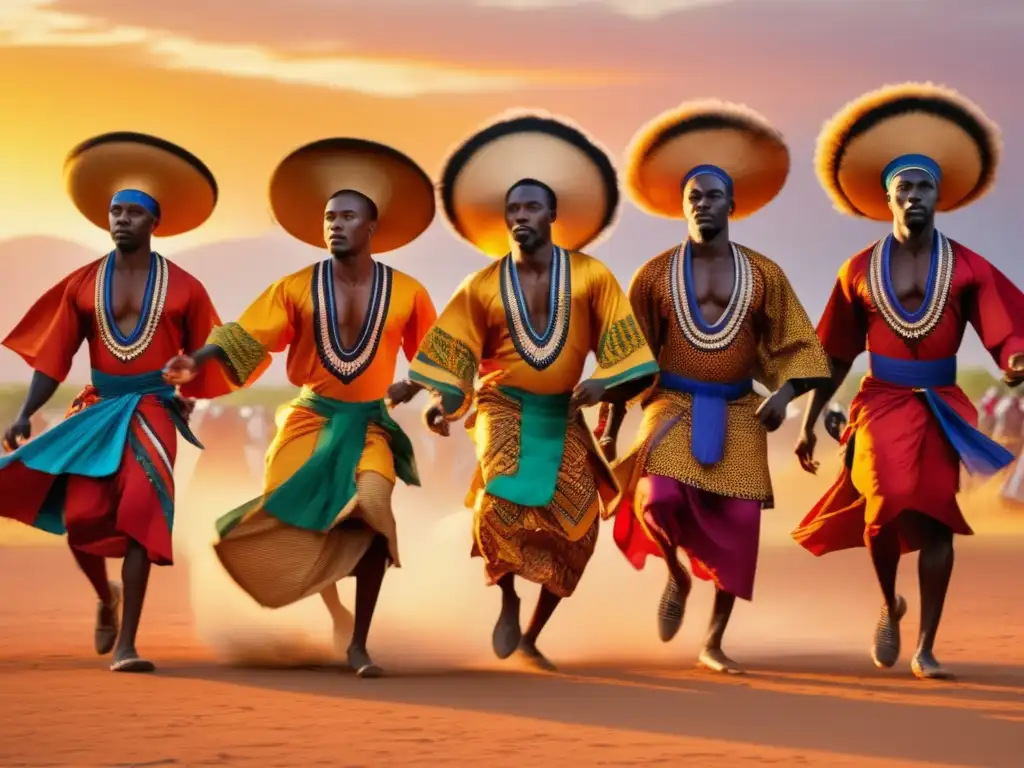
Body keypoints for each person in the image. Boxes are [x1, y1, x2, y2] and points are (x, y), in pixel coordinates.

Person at [163, 138, 438, 678]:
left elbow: (434, 357)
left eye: (348, 215)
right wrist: (195, 359)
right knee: (307, 524)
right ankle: (334, 611)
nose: (335, 224)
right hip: (308, 421)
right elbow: (245, 335)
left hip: (370, 427)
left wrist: (431, 397)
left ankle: (360, 642)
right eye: (329, 217)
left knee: (373, 516)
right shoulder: (294, 288)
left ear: (371, 227)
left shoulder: (407, 292)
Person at [409, 112, 659, 672]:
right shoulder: (480, 284)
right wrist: (438, 401)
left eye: (531, 207)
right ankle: (506, 599)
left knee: (579, 527)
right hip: (503, 406)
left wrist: (604, 383)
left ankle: (531, 633)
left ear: (553, 215)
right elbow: (455, 357)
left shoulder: (592, 276)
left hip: (565, 412)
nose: (521, 216)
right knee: (499, 505)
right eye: (513, 210)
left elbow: (628, 354)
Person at [792, 83, 1024, 680]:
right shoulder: (857, 270)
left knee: (939, 517)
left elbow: (1005, 327)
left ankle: (926, 643)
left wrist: (1016, 358)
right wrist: (809, 419)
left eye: (924, 186)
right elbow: (833, 353)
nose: (914, 195)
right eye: (905, 187)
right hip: (878, 402)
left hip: (943, 405)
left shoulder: (968, 264)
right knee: (883, 510)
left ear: (938, 195)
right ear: (886, 198)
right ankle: (888, 603)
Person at [595, 101, 831, 674]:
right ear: (681, 207)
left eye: (713, 195)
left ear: (733, 204)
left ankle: (714, 642)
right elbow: (628, 354)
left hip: (740, 411)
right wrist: (611, 426)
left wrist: (783, 397)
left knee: (739, 530)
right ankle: (675, 575)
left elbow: (800, 345)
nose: (703, 204)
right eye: (693, 196)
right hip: (670, 403)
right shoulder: (653, 274)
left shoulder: (765, 273)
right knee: (658, 500)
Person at [0, 132, 226, 672]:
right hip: (97, 407)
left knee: (142, 516)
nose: (121, 219)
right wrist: (26, 412)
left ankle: (127, 644)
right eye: (114, 211)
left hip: (152, 409)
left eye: (133, 212)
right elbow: (52, 357)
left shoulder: (186, 286)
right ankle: (106, 597)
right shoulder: (82, 284)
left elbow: (213, 345)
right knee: (81, 517)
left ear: (155, 222)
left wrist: (189, 374)